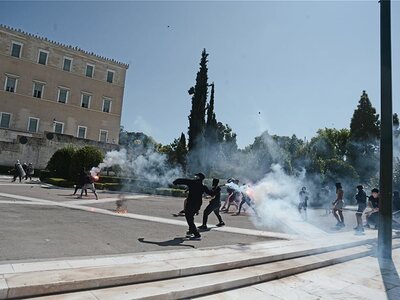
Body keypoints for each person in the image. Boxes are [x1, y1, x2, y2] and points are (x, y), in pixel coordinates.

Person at [173, 173, 212, 239]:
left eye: (196, 176)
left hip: (191, 203)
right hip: (198, 204)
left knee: (189, 218)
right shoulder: (203, 186)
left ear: (198, 178)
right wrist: (217, 189)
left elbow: (183, 180)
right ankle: (191, 231)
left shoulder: (192, 182)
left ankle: (197, 234)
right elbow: (211, 193)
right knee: (191, 217)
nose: (195, 177)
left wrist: (176, 182)